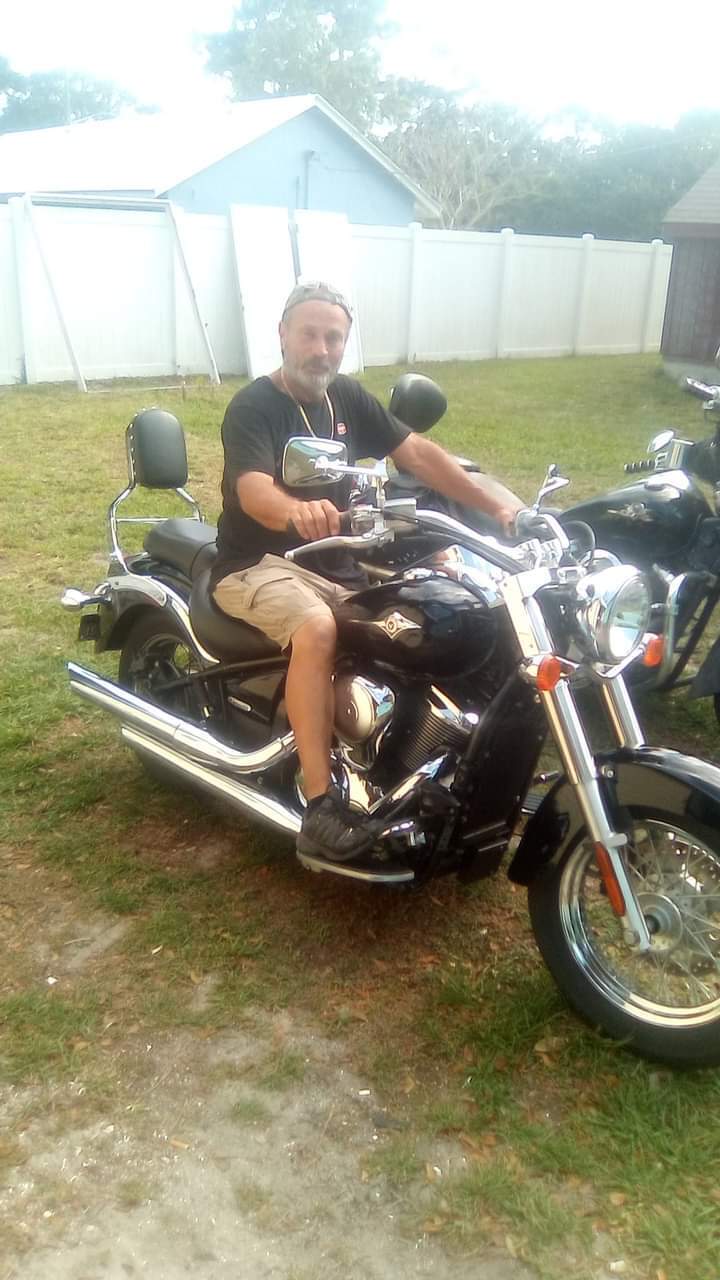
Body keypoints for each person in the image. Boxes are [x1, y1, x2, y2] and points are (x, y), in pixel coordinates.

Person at [211, 280, 524, 866]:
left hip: (335, 560)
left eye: (333, 338)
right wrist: (294, 511)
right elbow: (252, 491)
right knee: (317, 630)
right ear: (283, 335)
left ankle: (418, 757)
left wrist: (499, 507)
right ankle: (320, 804)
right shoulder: (254, 405)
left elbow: (418, 454)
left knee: (434, 610)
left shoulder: (347, 398)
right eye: (309, 334)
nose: (321, 350)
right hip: (258, 563)